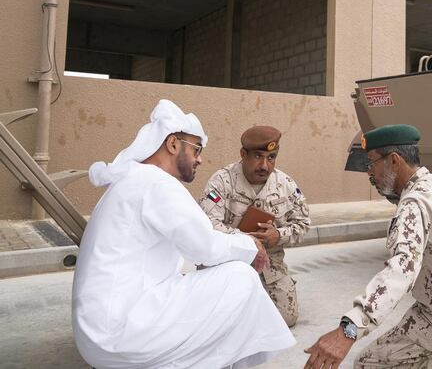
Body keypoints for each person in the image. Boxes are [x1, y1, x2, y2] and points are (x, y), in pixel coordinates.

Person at [72, 100, 295, 369]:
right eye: (196, 149)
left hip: (101, 333)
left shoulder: (134, 179)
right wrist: (250, 245)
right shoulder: (156, 183)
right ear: (173, 144)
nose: (200, 158)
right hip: (120, 333)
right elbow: (206, 247)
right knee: (241, 277)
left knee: (204, 272)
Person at [304, 124, 432, 369]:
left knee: (368, 363)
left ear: (394, 161)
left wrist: (349, 331)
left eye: (372, 163)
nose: (369, 173)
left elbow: (400, 273)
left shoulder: (414, 206)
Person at [199, 125, 310, 327]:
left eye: (271, 157)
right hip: (227, 261)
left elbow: (303, 225)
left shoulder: (285, 184)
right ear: (243, 154)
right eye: (258, 156)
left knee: (287, 318)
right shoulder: (222, 181)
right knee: (213, 318)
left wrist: (279, 235)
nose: (265, 165)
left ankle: (259, 300)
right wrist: (246, 241)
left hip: (269, 265)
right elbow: (208, 225)